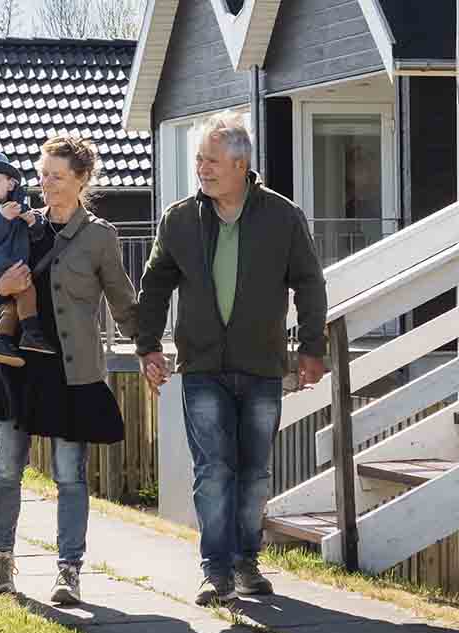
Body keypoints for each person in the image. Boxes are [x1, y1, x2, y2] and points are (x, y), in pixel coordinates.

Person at [135, 111, 328, 606]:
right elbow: (155, 283)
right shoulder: (179, 219)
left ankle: (247, 563)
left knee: (255, 472)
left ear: (241, 165)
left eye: (212, 160)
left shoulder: (282, 217)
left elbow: (309, 281)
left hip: (262, 366)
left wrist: (311, 347)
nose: (202, 168)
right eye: (199, 159)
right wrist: (148, 345)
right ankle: (216, 571)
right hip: (201, 367)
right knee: (213, 469)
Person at [0, 135, 138, 605]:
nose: (44, 183)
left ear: (81, 180)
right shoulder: (20, 228)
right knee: (7, 468)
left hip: (71, 372)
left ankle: (68, 571)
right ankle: (2, 562)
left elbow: (123, 301)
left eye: (56, 176)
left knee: (70, 475)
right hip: (16, 366)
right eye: (42, 173)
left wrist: (150, 348)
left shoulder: (99, 237)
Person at [0, 151, 56, 366]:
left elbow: (37, 235)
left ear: (11, 184)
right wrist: (2, 219)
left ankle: (1, 341)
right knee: (26, 291)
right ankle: (32, 334)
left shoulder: (18, 208)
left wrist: (33, 221)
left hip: (14, 266)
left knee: (13, 307)